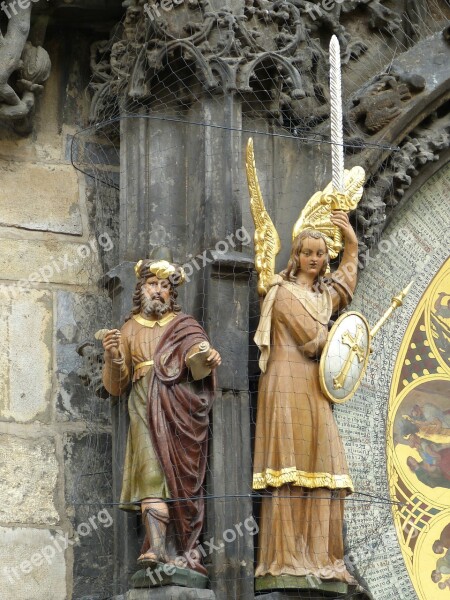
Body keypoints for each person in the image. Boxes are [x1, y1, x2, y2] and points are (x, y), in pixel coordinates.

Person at [252, 210, 359, 583]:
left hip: (315, 388)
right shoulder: (283, 295)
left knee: (326, 464)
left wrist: (351, 244)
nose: (315, 260)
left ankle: (322, 558)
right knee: (290, 467)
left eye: (321, 254)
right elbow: (313, 339)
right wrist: (346, 343)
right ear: (295, 256)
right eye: (308, 253)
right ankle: (287, 559)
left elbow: (343, 286)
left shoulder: (321, 296)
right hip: (286, 382)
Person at [102, 257, 221, 574]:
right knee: (152, 475)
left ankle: (181, 548)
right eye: (152, 284)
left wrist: (205, 357)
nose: (158, 291)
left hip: (181, 410)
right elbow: (116, 386)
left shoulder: (185, 326)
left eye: (165, 286)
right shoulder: (128, 329)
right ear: (141, 290)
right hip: (143, 405)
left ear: (172, 294)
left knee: (179, 479)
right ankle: (156, 548)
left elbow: (197, 361)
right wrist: (113, 356)